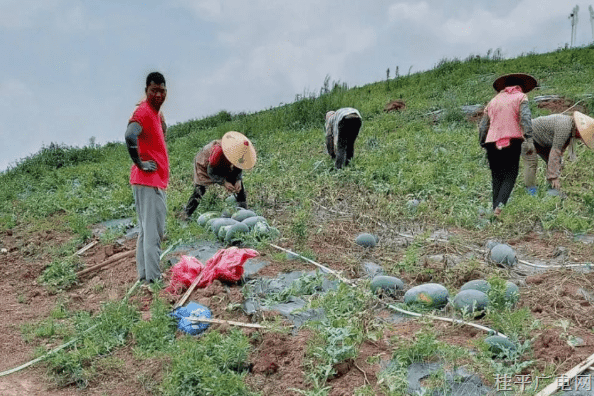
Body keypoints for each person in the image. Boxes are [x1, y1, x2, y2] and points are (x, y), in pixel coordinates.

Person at [125, 71, 168, 285]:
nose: (158, 95)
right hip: (148, 181)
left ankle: (145, 276)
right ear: (146, 91)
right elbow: (129, 134)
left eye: (161, 91)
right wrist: (139, 163)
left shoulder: (153, 112)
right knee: (153, 233)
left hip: (147, 181)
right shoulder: (143, 112)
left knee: (145, 231)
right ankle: (154, 279)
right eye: (154, 91)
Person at [478, 73, 537, 217]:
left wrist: (482, 141)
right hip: (512, 140)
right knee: (510, 174)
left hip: (492, 142)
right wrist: (529, 138)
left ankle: (494, 210)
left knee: (497, 176)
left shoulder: (493, 100)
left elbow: (483, 125)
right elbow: (525, 119)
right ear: (520, 87)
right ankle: (499, 207)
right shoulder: (521, 97)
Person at [181, 131, 257, 218]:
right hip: (206, 164)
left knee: (236, 183)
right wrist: (224, 182)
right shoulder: (218, 151)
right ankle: (186, 214)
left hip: (222, 163)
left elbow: (238, 166)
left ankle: (242, 208)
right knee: (200, 189)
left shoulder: (240, 153)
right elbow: (211, 171)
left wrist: (238, 180)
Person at [523, 111, 594, 195]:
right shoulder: (565, 127)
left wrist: (557, 168)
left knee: (557, 162)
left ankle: (551, 189)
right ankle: (531, 192)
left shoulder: (570, 129)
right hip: (526, 136)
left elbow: (559, 153)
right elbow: (555, 151)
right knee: (532, 163)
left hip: (542, 141)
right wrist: (554, 177)